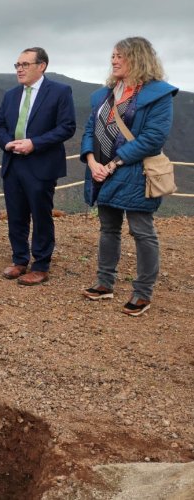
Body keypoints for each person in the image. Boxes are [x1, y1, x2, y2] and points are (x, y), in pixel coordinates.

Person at [80, 37, 177, 316]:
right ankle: (104, 283)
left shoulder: (157, 94)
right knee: (108, 228)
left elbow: (153, 138)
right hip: (101, 171)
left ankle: (142, 293)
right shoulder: (105, 95)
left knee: (142, 231)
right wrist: (91, 160)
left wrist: (112, 164)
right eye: (112, 55)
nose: (114, 60)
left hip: (135, 172)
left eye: (120, 55)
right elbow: (89, 131)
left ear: (138, 58)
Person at [0, 47, 76, 286]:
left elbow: (66, 127)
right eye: (17, 65)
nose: (19, 69)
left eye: (25, 64)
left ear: (42, 66)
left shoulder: (60, 91)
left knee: (41, 215)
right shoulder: (10, 95)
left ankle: (41, 265)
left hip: (41, 164)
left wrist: (34, 143)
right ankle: (19, 260)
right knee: (15, 215)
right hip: (13, 163)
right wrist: (8, 143)